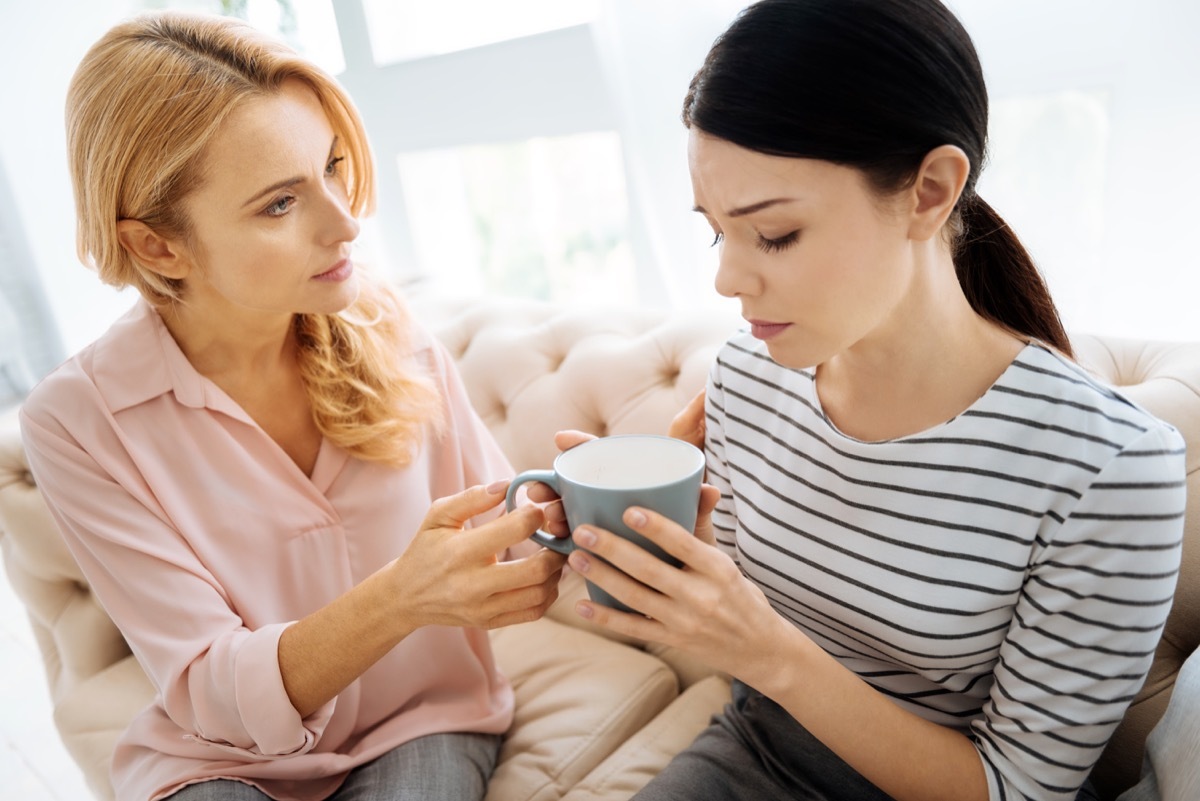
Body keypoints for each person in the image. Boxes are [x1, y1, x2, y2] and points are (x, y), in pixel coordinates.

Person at [543, 1, 1188, 800]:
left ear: (929, 190)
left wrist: (767, 648)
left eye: (772, 233)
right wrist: (675, 558)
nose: (726, 279)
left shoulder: (1114, 465)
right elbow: (753, 636)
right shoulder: (747, 376)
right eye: (717, 231)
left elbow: (1018, 790)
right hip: (757, 754)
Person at [18, 11, 567, 801]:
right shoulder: (77, 420)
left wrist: (598, 512)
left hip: (422, 718)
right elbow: (211, 690)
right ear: (157, 246)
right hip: (219, 758)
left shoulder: (390, 328)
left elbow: (510, 537)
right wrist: (400, 597)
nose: (346, 222)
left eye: (335, 169)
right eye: (280, 203)